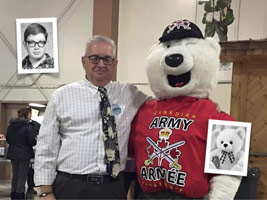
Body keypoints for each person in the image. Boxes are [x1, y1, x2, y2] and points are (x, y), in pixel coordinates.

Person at [34, 35, 148, 199]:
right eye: (94, 58)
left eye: (107, 59)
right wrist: (45, 191)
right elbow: (46, 146)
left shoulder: (131, 94)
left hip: (113, 188)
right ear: (84, 61)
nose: (101, 64)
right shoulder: (62, 95)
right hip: (70, 187)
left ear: (115, 64)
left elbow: (162, 103)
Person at [6, 108, 37, 199]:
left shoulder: (11, 126)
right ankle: (20, 194)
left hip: (13, 152)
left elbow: (8, 138)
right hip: (24, 153)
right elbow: (32, 141)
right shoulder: (28, 127)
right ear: (27, 114)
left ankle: (13, 193)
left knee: (15, 174)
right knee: (22, 176)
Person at [25, 107, 41, 196]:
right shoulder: (32, 125)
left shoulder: (35, 125)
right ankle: (29, 187)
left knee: (28, 170)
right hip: (28, 151)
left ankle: (29, 187)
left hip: (28, 151)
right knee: (28, 170)